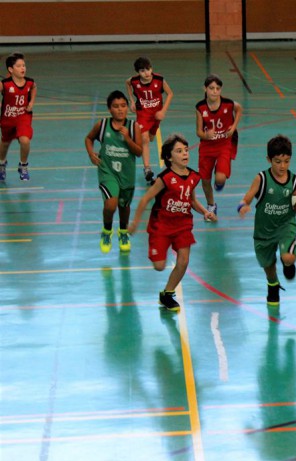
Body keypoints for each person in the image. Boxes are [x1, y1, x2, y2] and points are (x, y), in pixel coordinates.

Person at [128, 134, 216, 312]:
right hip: (161, 225)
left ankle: (167, 293)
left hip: (183, 225)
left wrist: (205, 212)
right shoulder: (164, 178)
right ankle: (159, 249)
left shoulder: (193, 176)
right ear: (169, 157)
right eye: (179, 151)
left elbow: (192, 200)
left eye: (186, 150)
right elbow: (145, 199)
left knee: (183, 261)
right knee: (159, 266)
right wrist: (135, 223)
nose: (185, 154)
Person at [237, 134, 296, 306]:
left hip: (286, 226)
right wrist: (243, 205)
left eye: (286, 161)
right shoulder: (262, 178)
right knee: (268, 265)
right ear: (269, 160)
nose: (282, 166)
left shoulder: (295, 181)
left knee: (288, 257)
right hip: (264, 230)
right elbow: (248, 197)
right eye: (278, 162)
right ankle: (273, 284)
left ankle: (287, 262)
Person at [85, 90, 143, 254]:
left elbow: (139, 152)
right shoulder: (103, 125)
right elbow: (89, 138)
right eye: (116, 106)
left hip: (126, 174)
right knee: (111, 204)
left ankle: (123, 232)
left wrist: (128, 139)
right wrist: (91, 153)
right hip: (108, 172)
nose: (120, 109)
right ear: (109, 109)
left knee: (124, 206)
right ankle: (107, 231)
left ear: (127, 108)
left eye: (123, 106)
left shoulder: (133, 127)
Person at [195, 74, 243, 221]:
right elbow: (198, 132)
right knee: (205, 180)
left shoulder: (228, 104)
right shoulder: (200, 107)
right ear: (205, 89)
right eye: (211, 88)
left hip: (224, 144)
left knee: (220, 178)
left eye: (217, 88)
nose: (214, 91)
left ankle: (220, 176)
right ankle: (211, 205)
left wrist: (233, 127)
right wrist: (206, 135)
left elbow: (239, 109)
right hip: (207, 146)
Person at [125, 56, 174, 185]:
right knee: (145, 139)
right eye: (142, 71)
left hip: (156, 114)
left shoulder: (159, 79)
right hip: (143, 113)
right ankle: (147, 169)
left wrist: (163, 111)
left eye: (148, 69)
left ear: (151, 68)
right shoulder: (134, 81)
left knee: (151, 138)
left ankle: (141, 137)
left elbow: (170, 93)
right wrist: (131, 101)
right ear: (138, 72)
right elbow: (127, 83)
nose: (146, 73)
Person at [0, 52, 37, 182]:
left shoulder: (29, 82)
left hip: (23, 116)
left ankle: (23, 165)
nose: (23, 68)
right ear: (11, 69)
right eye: (19, 66)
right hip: (7, 118)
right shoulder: (5, 84)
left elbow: (34, 87)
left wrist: (31, 102)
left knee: (25, 140)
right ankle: (1, 164)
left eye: (24, 65)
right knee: (5, 143)